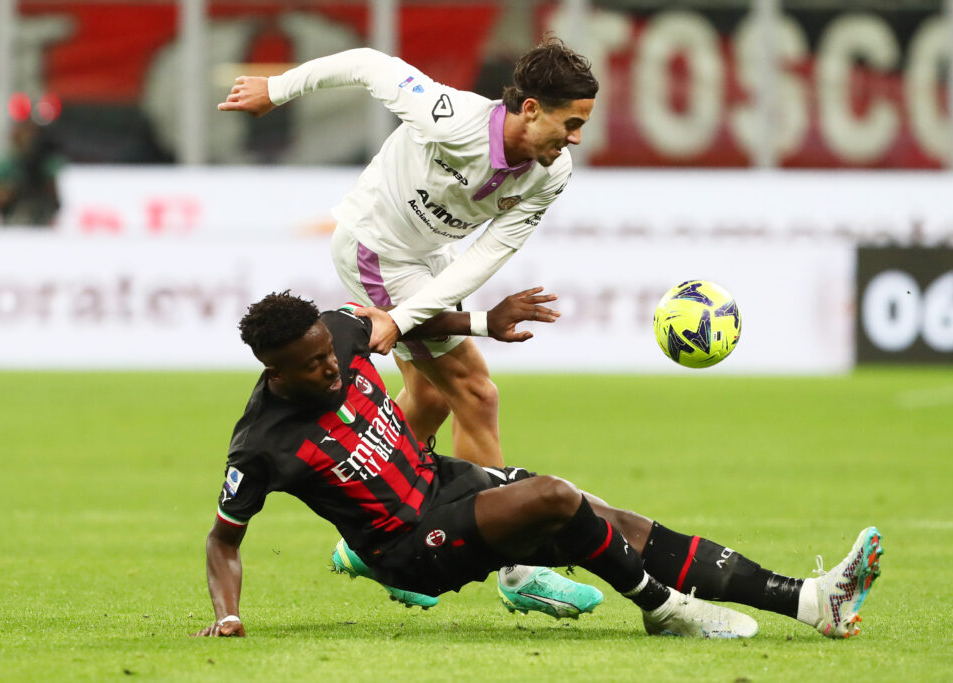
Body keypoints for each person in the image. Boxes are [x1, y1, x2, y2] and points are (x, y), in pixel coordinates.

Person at [192, 290, 884, 639]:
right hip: (410, 546)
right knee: (555, 496)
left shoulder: (339, 332)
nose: (332, 366)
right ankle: (664, 608)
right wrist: (228, 616)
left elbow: (399, 322)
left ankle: (810, 601)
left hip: (445, 482)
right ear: (274, 369)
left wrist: (483, 324)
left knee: (615, 523)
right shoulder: (262, 442)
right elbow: (224, 538)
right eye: (314, 365)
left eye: (329, 352)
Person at [218, 36, 602, 616]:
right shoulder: (451, 117)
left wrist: (404, 319)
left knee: (429, 396)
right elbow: (367, 64)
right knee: (475, 392)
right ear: (530, 109)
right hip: (376, 249)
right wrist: (276, 89)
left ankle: (371, 541)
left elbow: (486, 254)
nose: (575, 139)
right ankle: (516, 567)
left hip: (429, 260)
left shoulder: (551, 173)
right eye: (570, 123)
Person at [0, 119, 65, 227]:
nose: (27, 138)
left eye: (30, 134)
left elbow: (55, 200)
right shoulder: (8, 165)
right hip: (14, 221)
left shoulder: (46, 164)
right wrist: (12, 189)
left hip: (40, 221)